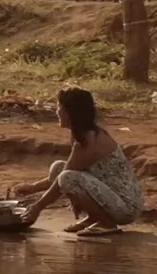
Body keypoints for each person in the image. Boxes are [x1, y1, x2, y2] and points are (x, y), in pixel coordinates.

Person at [15, 87, 143, 237]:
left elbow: (64, 180)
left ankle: (106, 223)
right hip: (112, 198)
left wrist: (38, 207)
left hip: (126, 207)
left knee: (67, 177)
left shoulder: (89, 139)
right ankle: (94, 218)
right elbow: (62, 174)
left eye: (59, 107)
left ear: (70, 112)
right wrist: (32, 188)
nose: (57, 112)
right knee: (58, 168)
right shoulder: (82, 135)